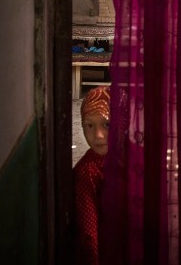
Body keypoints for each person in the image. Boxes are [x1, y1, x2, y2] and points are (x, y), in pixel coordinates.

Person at [73, 86, 111, 265]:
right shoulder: (86, 172)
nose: (98, 135)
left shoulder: (135, 159)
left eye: (107, 124)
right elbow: (89, 234)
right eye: (89, 125)